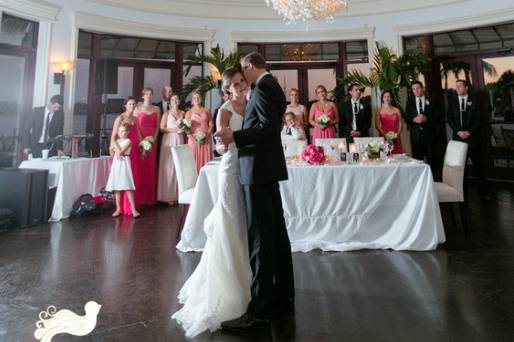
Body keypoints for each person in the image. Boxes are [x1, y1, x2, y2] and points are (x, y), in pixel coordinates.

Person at [216, 52, 294, 332]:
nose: (242, 79)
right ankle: (283, 292)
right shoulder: (272, 86)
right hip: (267, 170)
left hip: (257, 170)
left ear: (249, 67)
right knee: (277, 233)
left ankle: (258, 313)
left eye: (242, 73)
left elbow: (267, 128)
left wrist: (235, 136)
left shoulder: (261, 88)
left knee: (260, 239)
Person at [172, 68, 252, 337]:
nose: (239, 87)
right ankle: (229, 283)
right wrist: (221, 145)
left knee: (243, 220)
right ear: (227, 89)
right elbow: (220, 144)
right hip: (230, 167)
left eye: (242, 82)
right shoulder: (225, 111)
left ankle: (249, 274)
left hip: (249, 167)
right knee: (229, 221)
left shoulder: (251, 104)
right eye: (234, 85)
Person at [447, 79, 489, 200]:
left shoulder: (475, 101)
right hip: (458, 138)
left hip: (473, 138)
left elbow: (478, 120)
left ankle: (483, 193)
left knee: (478, 165)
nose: (458, 88)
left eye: (460, 86)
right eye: (457, 86)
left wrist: (469, 132)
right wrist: (458, 131)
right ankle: (462, 192)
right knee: (461, 167)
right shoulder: (453, 102)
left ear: (466, 88)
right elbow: (449, 118)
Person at [110, 97, 141, 215]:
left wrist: (144, 146)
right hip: (121, 149)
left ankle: (132, 208)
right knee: (120, 181)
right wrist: (115, 150)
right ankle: (120, 208)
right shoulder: (120, 118)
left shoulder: (135, 118)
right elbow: (114, 136)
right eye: (130, 104)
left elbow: (138, 135)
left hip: (132, 150)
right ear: (125, 105)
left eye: (134, 104)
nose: (132, 106)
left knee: (130, 180)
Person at [404, 81, 440, 175]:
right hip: (416, 137)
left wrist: (426, 118)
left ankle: (434, 182)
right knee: (417, 162)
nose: (416, 90)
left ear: (422, 88)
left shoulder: (431, 100)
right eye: (414, 89)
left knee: (432, 161)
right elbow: (407, 117)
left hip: (430, 136)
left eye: (418, 88)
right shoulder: (410, 102)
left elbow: (438, 116)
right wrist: (414, 120)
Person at [106, 123, 140, 218]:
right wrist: (112, 148)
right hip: (117, 164)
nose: (120, 133)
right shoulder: (117, 141)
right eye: (119, 131)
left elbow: (121, 152)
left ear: (127, 132)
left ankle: (133, 210)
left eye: (123, 131)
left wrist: (114, 143)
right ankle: (118, 209)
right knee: (117, 187)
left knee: (127, 186)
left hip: (124, 162)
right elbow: (112, 154)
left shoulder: (128, 141)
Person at [157, 94, 185, 205]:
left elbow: (186, 127)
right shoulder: (166, 114)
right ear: (170, 102)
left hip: (180, 139)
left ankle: (179, 194)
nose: (175, 100)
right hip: (169, 140)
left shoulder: (183, 113)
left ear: (179, 101)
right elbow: (162, 128)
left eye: (177, 98)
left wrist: (184, 129)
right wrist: (175, 130)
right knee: (169, 166)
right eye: (173, 99)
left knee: (178, 166)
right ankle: (167, 195)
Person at [135, 87, 160, 205]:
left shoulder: (157, 108)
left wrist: (154, 139)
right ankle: (140, 196)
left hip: (152, 141)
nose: (149, 96)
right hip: (141, 140)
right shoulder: (137, 109)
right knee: (141, 166)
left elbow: (158, 126)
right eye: (147, 94)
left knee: (151, 167)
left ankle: (150, 197)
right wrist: (142, 141)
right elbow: (136, 127)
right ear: (142, 96)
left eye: (151, 94)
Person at [185, 91, 213, 172]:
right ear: (192, 101)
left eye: (198, 97)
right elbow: (186, 129)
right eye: (194, 98)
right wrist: (196, 140)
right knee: (193, 163)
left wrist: (207, 136)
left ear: (201, 99)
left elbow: (211, 124)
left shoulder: (207, 110)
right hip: (193, 141)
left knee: (206, 163)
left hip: (206, 140)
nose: (197, 99)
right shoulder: (189, 112)